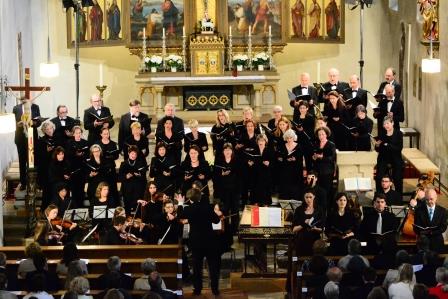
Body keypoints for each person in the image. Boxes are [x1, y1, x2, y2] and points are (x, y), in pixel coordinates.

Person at [176, 188, 222, 296]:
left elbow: (179, 216)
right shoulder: (207, 207)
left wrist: (180, 203)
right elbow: (216, 220)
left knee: (197, 267)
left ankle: (197, 289)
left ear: (189, 199)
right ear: (199, 197)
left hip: (196, 241)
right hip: (210, 240)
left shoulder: (189, 209)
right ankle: (215, 289)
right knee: (213, 266)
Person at [12, 97, 42, 190]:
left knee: (33, 160)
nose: (25, 102)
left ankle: (34, 182)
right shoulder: (16, 108)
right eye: (23, 101)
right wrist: (18, 124)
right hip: (20, 138)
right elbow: (12, 122)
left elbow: (39, 121)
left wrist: (34, 122)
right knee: (22, 160)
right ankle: (23, 182)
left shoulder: (35, 107)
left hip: (32, 136)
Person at [212, 143, 241, 235]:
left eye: (229, 150)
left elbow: (241, 175)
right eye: (225, 150)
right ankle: (226, 228)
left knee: (235, 210)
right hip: (223, 190)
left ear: (232, 151)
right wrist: (221, 174)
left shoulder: (237, 160)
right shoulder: (219, 161)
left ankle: (235, 229)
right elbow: (214, 176)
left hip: (235, 190)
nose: (227, 151)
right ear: (223, 151)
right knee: (225, 209)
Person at [374, 116, 404, 195]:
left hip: (395, 158)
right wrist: (377, 146)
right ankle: (380, 195)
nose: (386, 125)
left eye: (388, 123)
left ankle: (398, 197)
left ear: (392, 123)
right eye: (384, 124)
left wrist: (387, 145)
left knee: (397, 178)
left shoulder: (398, 133)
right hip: (384, 157)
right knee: (379, 177)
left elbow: (399, 148)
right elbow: (378, 149)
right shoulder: (382, 133)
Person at [414, 188, 448, 253]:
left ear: (436, 198)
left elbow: (443, 227)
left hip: (437, 243)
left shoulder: (443, 211)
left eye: (431, 199)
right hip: (423, 243)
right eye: (427, 200)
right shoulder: (419, 211)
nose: (429, 202)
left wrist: (432, 232)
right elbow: (416, 228)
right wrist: (421, 232)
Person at [292, 189, 325, 256]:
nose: (308, 199)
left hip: (315, 241)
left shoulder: (319, 210)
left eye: (310, 197)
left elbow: (323, 228)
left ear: (314, 197)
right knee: (301, 261)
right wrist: (304, 224)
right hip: (301, 240)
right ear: (304, 198)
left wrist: (316, 229)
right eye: (306, 197)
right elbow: (294, 229)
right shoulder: (299, 210)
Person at [277, 129, 307, 201]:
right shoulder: (282, 146)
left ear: (294, 138)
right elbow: (278, 157)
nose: (289, 139)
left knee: (295, 190)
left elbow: (302, 159)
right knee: (285, 190)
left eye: (290, 137)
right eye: (287, 138)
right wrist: (282, 159)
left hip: (296, 171)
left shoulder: (299, 146)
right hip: (285, 171)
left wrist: (294, 159)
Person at [36, 120, 59, 209]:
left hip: (56, 168)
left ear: (53, 128)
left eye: (50, 128)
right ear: (44, 131)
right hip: (46, 170)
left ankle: (55, 210)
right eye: (47, 129)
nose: (49, 130)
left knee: (56, 190)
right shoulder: (41, 141)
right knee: (47, 190)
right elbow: (38, 157)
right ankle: (45, 210)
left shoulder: (57, 139)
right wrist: (46, 151)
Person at [119, 145, 148, 214]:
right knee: (127, 208)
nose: (133, 155)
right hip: (127, 189)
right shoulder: (123, 164)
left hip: (138, 189)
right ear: (128, 153)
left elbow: (144, 177)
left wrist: (139, 175)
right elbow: (120, 177)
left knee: (137, 208)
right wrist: (126, 176)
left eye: (135, 154)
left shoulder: (140, 163)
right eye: (132, 153)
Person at [312, 127, 336, 207]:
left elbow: (332, 158)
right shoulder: (316, 144)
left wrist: (322, 157)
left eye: (322, 134)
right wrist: (314, 157)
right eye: (319, 135)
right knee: (317, 191)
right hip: (317, 171)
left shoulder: (331, 144)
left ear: (326, 134)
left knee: (326, 191)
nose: (321, 136)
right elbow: (313, 156)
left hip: (327, 172)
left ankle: (326, 209)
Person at [66, 126, 89, 207]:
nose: (78, 134)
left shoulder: (85, 142)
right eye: (77, 133)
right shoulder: (69, 142)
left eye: (80, 133)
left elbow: (88, 156)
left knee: (81, 190)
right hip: (73, 169)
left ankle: (81, 207)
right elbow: (67, 156)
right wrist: (75, 154)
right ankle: (75, 207)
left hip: (82, 169)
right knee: (74, 190)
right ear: (73, 134)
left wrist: (82, 155)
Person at [247, 134, 273, 206]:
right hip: (255, 177)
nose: (261, 142)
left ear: (265, 141)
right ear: (257, 141)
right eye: (259, 140)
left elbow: (274, 164)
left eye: (262, 140)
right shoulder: (253, 151)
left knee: (265, 200)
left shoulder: (269, 151)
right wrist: (250, 163)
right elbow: (249, 162)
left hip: (266, 177)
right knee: (255, 200)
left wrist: (269, 164)